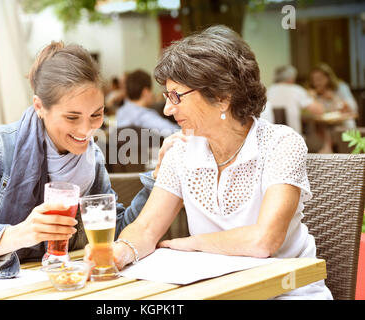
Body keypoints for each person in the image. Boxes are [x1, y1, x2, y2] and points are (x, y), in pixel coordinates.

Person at [87, 25, 333, 300]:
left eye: (176, 96)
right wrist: (120, 251)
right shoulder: (181, 150)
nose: (168, 109)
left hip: (286, 292)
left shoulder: (280, 143)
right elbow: (146, 229)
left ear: (222, 96)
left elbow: (264, 240)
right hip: (217, 292)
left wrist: (190, 244)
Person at [0, 41, 163, 280]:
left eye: (96, 115)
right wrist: (18, 234)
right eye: (72, 117)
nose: (87, 130)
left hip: (32, 283)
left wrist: (156, 179)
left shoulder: (91, 158)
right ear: (39, 106)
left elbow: (115, 232)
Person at [308, 63, 358, 153]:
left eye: (319, 79)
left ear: (328, 78)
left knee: (340, 125)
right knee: (318, 126)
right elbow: (313, 112)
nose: (316, 82)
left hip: (342, 122)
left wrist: (334, 98)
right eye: (313, 80)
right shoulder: (314, 94)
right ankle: (327, 150)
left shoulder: (341, 87)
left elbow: (352, 108)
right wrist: (312, 98)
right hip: (324, 125)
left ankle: (328, 150)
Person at [265, 65, 323, 135]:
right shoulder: (296, 90)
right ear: (291, 78)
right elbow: (318, 110)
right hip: (293, 137)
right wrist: (313, 96)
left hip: (272, 137)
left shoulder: (268, 90)